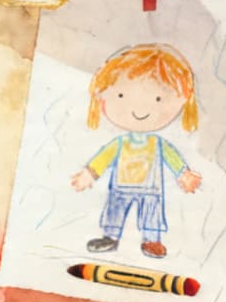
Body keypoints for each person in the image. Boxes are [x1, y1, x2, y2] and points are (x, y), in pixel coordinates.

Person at [69, 43, 203, 260]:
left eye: (158, 99)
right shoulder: (119, 143)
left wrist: (184, 174)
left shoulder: (159, 144)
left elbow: (173, 158)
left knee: (152, 213)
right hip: (120, 185)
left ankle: (152, 240)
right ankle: (110, 236)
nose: (139, 109)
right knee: (115, 208)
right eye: (121, 95)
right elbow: (103, 158)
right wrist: (89, 173)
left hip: (151, 188)